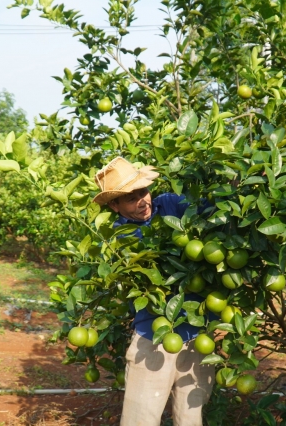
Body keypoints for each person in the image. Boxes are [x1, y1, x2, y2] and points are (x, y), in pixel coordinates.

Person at [92, 156, 214, 426]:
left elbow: (213, 213)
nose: (142, 201)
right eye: (131, 198)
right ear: (115, 205)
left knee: (191, 416)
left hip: (197, 332)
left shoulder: (170, 203)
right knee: (141, 418)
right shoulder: (121, 238)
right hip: (153, 337)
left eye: (143, 192)